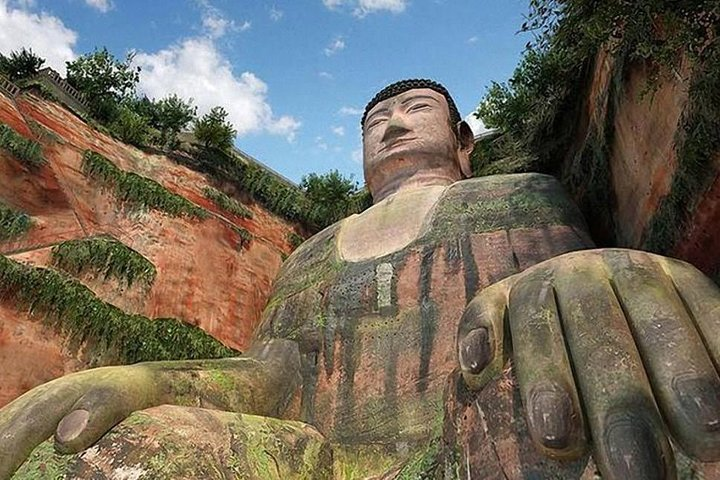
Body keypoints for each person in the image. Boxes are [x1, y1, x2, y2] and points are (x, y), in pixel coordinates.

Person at [1, 79, 719, 479]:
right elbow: (270, 379)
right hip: (312, 464)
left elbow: (563, 294)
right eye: (375, 120)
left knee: (571, 395)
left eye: (414, 110)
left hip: (469, 445)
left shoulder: (520, 195)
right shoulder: (309, 255)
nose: (391, 126)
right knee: (130, 444)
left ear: (464, 142)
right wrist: (151, 383)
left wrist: (599, 276)